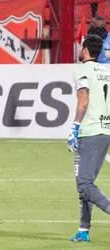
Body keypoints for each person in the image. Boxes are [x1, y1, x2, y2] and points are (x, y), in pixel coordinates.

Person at [68, 34, 110, 242]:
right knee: (84, 182)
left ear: (84, 50)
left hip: (90, 132)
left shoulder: (82, 71)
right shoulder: (107, 71)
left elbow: (83, 100)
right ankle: (84, 229)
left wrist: (74, 127)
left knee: (84, 183)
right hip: (105, 131)